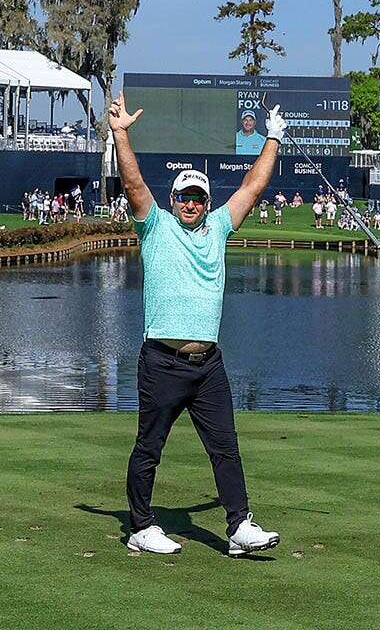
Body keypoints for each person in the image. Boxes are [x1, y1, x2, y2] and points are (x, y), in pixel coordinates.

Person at [108, 91, 281, 557]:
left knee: (225, 447)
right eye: (184, 196)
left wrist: (273, 138)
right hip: (162, 361)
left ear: (207, 201)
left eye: (198, 197)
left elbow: (252, 188)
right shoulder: (155, 226)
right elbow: (133, 186)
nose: (191, 203)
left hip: (208, 365)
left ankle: (239, 526)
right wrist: (121, 134)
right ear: (173, 199)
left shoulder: (221, 227)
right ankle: (141, 527)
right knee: (150, 446)